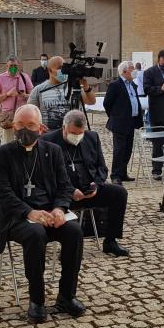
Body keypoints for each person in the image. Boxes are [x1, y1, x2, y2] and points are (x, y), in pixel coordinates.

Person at [0, 104, 84, 322]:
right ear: (13, 126)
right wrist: (30, 213)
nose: (25, 129)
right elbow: (3, 193)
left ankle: (66, 296)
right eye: (20, 125)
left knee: (74, 231)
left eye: (30, 125)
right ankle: (37, 300)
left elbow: (64, 186)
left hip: (50, 213)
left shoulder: (53, 151)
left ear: (40, 128)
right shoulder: (1, 154)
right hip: (16, 217)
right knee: (35, 235)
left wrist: (60, 209)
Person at [42, 110, 130, 256]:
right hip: (63, 194)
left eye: (80, 133)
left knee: (119, 193)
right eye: (72, 133)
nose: (76, 137)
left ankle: (110, 241)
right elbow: (48, 175)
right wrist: (70, 191)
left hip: (88, 190)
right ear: (63, 127)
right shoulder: (48, 140)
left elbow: (102, 167)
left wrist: (96, 184)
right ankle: (67, 246)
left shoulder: (91, 137)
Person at [103, 61, 144, 184]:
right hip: (119, 122)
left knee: (128, 149)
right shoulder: (115, 85)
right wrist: (115, 116)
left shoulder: (133, 85)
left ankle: (123, 173)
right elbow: (107, 103)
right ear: (125, 71)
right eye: (132, 69)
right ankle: (115, 175)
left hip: (131, 121)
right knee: (119, 149)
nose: (134, 71)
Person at [28, 56, 95, 131]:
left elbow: (91, 101)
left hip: (73, 134)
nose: (64, 70)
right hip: (48, 136)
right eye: (60, 68)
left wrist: (86, 87)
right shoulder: (39, 90)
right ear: (50, 70)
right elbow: (30, 112)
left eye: (65, 67)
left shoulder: (74, 86)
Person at [142, 49, 164, 180]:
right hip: (159, 112)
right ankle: (157, 169)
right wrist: (161, 89)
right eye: (163, 64)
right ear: (158, 60)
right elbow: (146, 89)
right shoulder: (150, 72)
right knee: (158, 141)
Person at [0, 56, 34, 141]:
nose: (13, 68)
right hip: (7, 116)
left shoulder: (24, 77)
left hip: (23, 114)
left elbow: (33, 95)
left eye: (15, 66)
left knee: (23, 141)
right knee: (8, 142)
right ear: (7, 66)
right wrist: (8, 94)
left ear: (19, 66)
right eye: (11, 66)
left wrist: (24, 95)